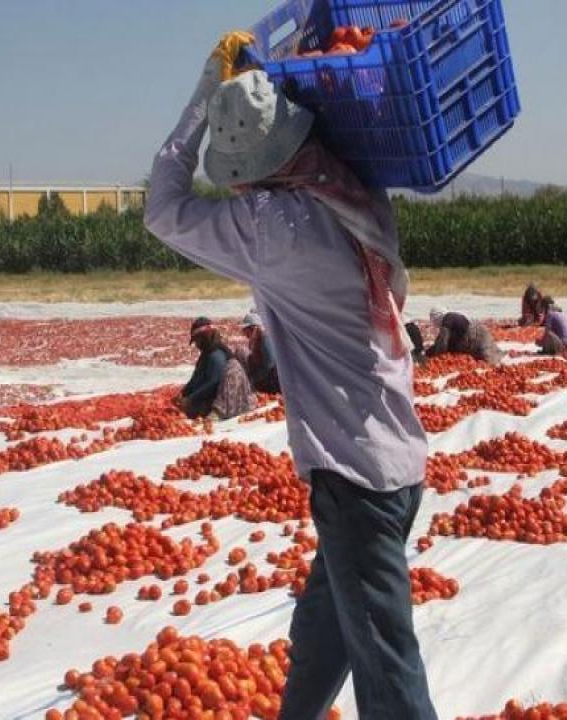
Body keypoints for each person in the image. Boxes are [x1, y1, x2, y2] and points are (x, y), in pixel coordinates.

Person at [144, 34, 436, 720]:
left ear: (248, 173)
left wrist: (202, 97)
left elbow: (163, 207)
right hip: (397, 465)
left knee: (389, 673)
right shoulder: (355, 190)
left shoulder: (274, 227)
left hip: (355, 480)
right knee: (322, 633)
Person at [180, 317, 256, 419]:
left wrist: (191, 399)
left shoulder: (216, 354)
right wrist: (183, 393)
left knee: (193, 410)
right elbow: (195, 378)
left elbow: (214, 381)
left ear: (203, 337)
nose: (196, 345)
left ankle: (218, 413)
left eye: (197, 340)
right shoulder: (206, 355)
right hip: (210, 393)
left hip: (224, 399)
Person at [426, 307, 505, 364]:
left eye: (434, 320)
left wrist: (436, 357)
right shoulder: (450, 321)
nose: (436, 324)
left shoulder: (448, 318)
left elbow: (442, 343)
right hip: (475, 336)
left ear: (438, 317)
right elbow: (439, 342)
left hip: (478, 335)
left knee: (489, 359)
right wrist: (428, 352)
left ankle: (504, 362)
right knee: (486, 355)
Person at [238, 310, 281, 393]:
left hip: (272, 379)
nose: (245, 333)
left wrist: (254, 380)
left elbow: (269, 365)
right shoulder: (255, 340)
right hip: (264, 375)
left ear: (254, 328)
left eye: (246, 330)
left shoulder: (265, 340)